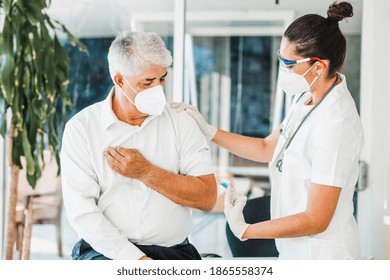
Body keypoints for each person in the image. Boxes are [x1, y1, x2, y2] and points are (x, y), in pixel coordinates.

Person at [172, 1, 363, 259]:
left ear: (319, 67)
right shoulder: (306, 98)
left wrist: (246, 230)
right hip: (292, 252)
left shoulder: (336, 122)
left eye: (289, 63)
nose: (283, 69)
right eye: (280, 58)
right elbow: (266, 148)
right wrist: (209, 131)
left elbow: (316, 219)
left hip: (322, 258)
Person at [60, 31, 217, 260]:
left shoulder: (181, 121)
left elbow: (207, 198)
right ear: (120, 80)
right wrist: (138, 262)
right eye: (148, 82)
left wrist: (146, 172)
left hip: (174, 252)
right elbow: (82, 212)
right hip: (105, 254)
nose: (158, 89)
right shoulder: (82, 128)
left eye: (162, 79)